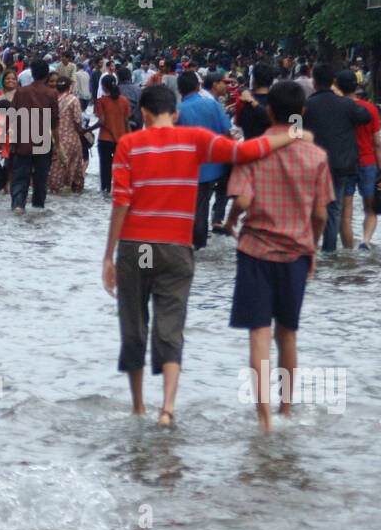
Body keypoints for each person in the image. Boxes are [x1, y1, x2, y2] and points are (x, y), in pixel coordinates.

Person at [101, 83, 308, 426]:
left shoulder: (129, 144)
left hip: (140, 250)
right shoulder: (195, 138)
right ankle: (167, 407)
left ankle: (138, 406)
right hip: (176, 249)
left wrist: (109, 255)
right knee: (170, 323)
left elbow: (121, 201)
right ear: (176, 114)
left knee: (134, 321)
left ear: (144, 114)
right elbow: (248, 151)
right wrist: (295, 133)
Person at [224, 81, 334, 431]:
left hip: (255, 250)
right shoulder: (316, 156)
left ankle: (265, 418)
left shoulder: (253, 149)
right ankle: (287, 410)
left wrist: (229, 222)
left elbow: (241, 200)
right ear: (302, 114)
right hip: (296, 253)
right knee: (288, 336)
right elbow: (320, 215)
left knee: (258, 335)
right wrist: (312, 250)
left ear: (269, 111)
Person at [303, 62, 371, 249]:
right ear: (333, 81)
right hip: (342, 165)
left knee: (311, 207)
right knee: (334, 210)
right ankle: (330, 251)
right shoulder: (347, 104)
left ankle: (309, 249)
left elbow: (293, 132)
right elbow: (366, 116)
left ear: (314, 82)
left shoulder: (305, 106)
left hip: (312, 165)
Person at [176, 70, 234, 249]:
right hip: (213, 167)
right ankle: (199, 241)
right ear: (198, 86)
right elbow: (227, 134)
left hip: (187, 169)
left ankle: (195, 243)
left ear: (180, 90)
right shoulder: (213, 105)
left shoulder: (177, 112)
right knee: (202, 205)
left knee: (193, 208)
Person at [333, 69, 381, 250]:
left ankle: (348, 252)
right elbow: (377, 144)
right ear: (357, 86)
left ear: (337, 86)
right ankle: (366, 241)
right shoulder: (370, 109)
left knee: (345, 215)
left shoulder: (337, 109)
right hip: (368, 163)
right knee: (370, 208)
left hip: (346, 164)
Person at [9, 57, 60, 213]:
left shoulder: (21, 92)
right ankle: (38, 207)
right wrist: (57, 144)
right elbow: (54, 122)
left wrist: (11, 141)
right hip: (43, 141)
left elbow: (12, 116)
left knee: (20, 176)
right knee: (40, 179)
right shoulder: (51, 94)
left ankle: (18, 205)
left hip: (22, 139)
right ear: (46, 75)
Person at [92, 74, 131, 195]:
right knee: (120, 168)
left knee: (105, 169)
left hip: (105, 139)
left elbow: (102, 121)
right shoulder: (124, 100)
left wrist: (87, 129)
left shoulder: (101, 101)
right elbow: (126, 122)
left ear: (103, 87)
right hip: (121, 139)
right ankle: (119, 192)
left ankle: (105, 191)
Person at [47, 75, 87, 195]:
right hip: (72, 141)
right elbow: (78, 121)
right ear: (70, 86)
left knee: (55, 173)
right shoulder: (73, 100)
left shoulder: (50, 99)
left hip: (53, 140)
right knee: (73, 173)